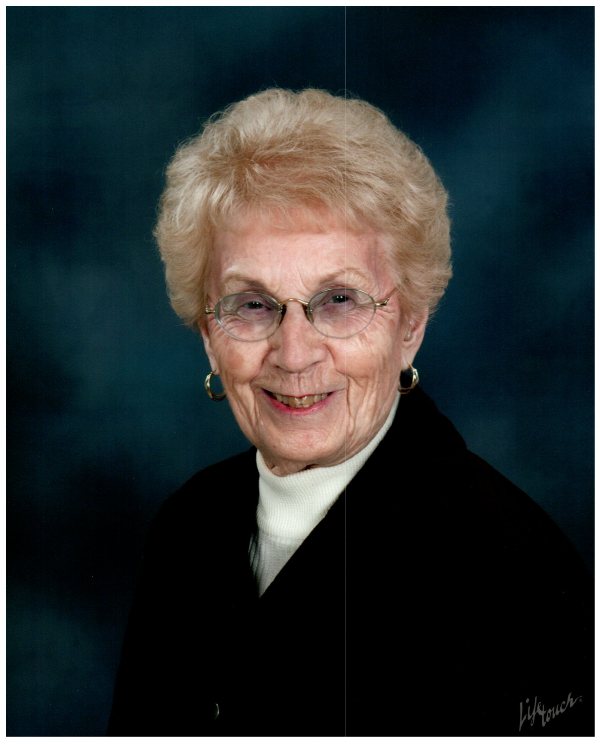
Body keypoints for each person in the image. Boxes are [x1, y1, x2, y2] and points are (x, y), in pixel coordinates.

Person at [108, 88, 592, 736]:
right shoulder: (187, 528)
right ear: (207, 333)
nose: (294, 353)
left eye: (339, 300)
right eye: (252, 304)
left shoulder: (515, 573)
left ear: (410, 325)